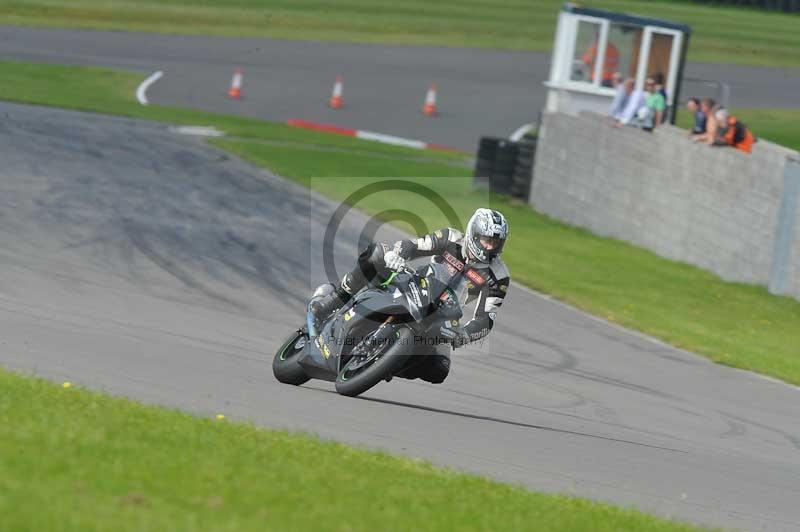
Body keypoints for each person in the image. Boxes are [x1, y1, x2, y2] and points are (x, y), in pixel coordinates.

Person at [311, 208, 511, 384]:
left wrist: (464, 335)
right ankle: (334, 300)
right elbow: (414, 245)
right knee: (377, 254)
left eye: (496, 243)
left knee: (438, 370)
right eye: (487, 240)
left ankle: (385, 363)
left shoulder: (499, 276)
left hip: (444, 314)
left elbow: (485, 319)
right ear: (474, 233)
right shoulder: (451, 238)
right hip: (418, 284)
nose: (490, 247)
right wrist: (397, 255)